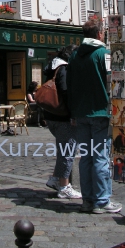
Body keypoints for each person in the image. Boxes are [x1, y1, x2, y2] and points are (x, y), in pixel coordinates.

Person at [67, 19, 122, 214]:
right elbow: (112, 82)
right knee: (100, 158)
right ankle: (102, 200)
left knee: (86, 158)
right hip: (100, 112)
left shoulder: (74, 55)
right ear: (99, 34)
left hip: (81, 113)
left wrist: (73, 112)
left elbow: (70, 86)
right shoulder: (103, 54)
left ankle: (88, 200)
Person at [43, 45, 82, 200]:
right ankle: (64, 187)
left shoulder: (51, 67)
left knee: (64, 150)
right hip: (63, 116)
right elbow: (66, 91)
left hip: (51, 115)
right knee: (68, 152)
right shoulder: (64, 69)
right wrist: (73, 114)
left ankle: (55, 179)